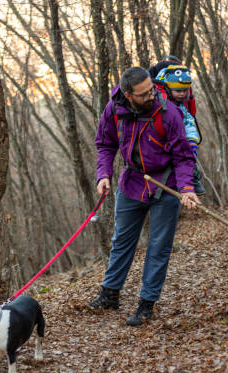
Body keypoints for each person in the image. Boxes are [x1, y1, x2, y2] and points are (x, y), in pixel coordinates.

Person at [86, 67, 201, 326]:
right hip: (132, 181)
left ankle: (146, 304)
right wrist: (103, 175)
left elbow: (183, 156)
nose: (152, 96)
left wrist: (187, 189)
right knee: (122, 240)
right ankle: (110, 294)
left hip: (166, 184)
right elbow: (105, 144)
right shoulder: (114, 110)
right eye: (144, 94)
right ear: (127, 95)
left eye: (152, 89)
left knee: (158, 246)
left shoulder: (167, 112)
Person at [155, 65, 205, 195]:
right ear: (168, 88)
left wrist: (192, 141)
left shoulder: (181, 106)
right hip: (161, 141)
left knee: (188, 159)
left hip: (179, 139)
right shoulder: (159, 103)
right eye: (178, 90)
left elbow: (189, 123)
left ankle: (192, 179)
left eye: (185, 91)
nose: (182, 94)